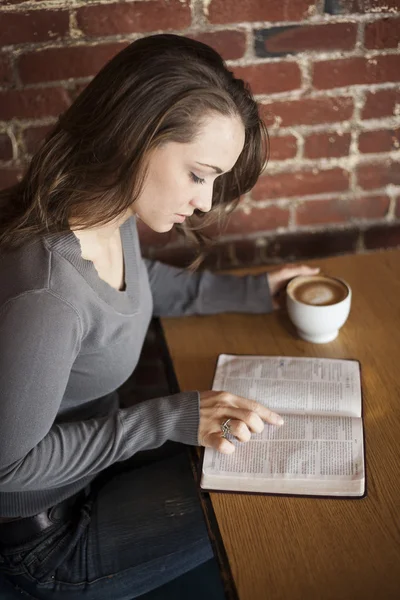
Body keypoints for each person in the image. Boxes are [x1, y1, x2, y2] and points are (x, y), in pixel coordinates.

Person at [0, 34, 318, 599]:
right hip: (47, 542)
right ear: (136, 138)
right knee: (272, 495)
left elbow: (132, 289)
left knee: (264, 449)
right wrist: (165, 419)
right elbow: (6, 471)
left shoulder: (104, 206)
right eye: (199, 174)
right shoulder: (47, 299)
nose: (205, 200)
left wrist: (250, 294)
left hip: (92, 473)